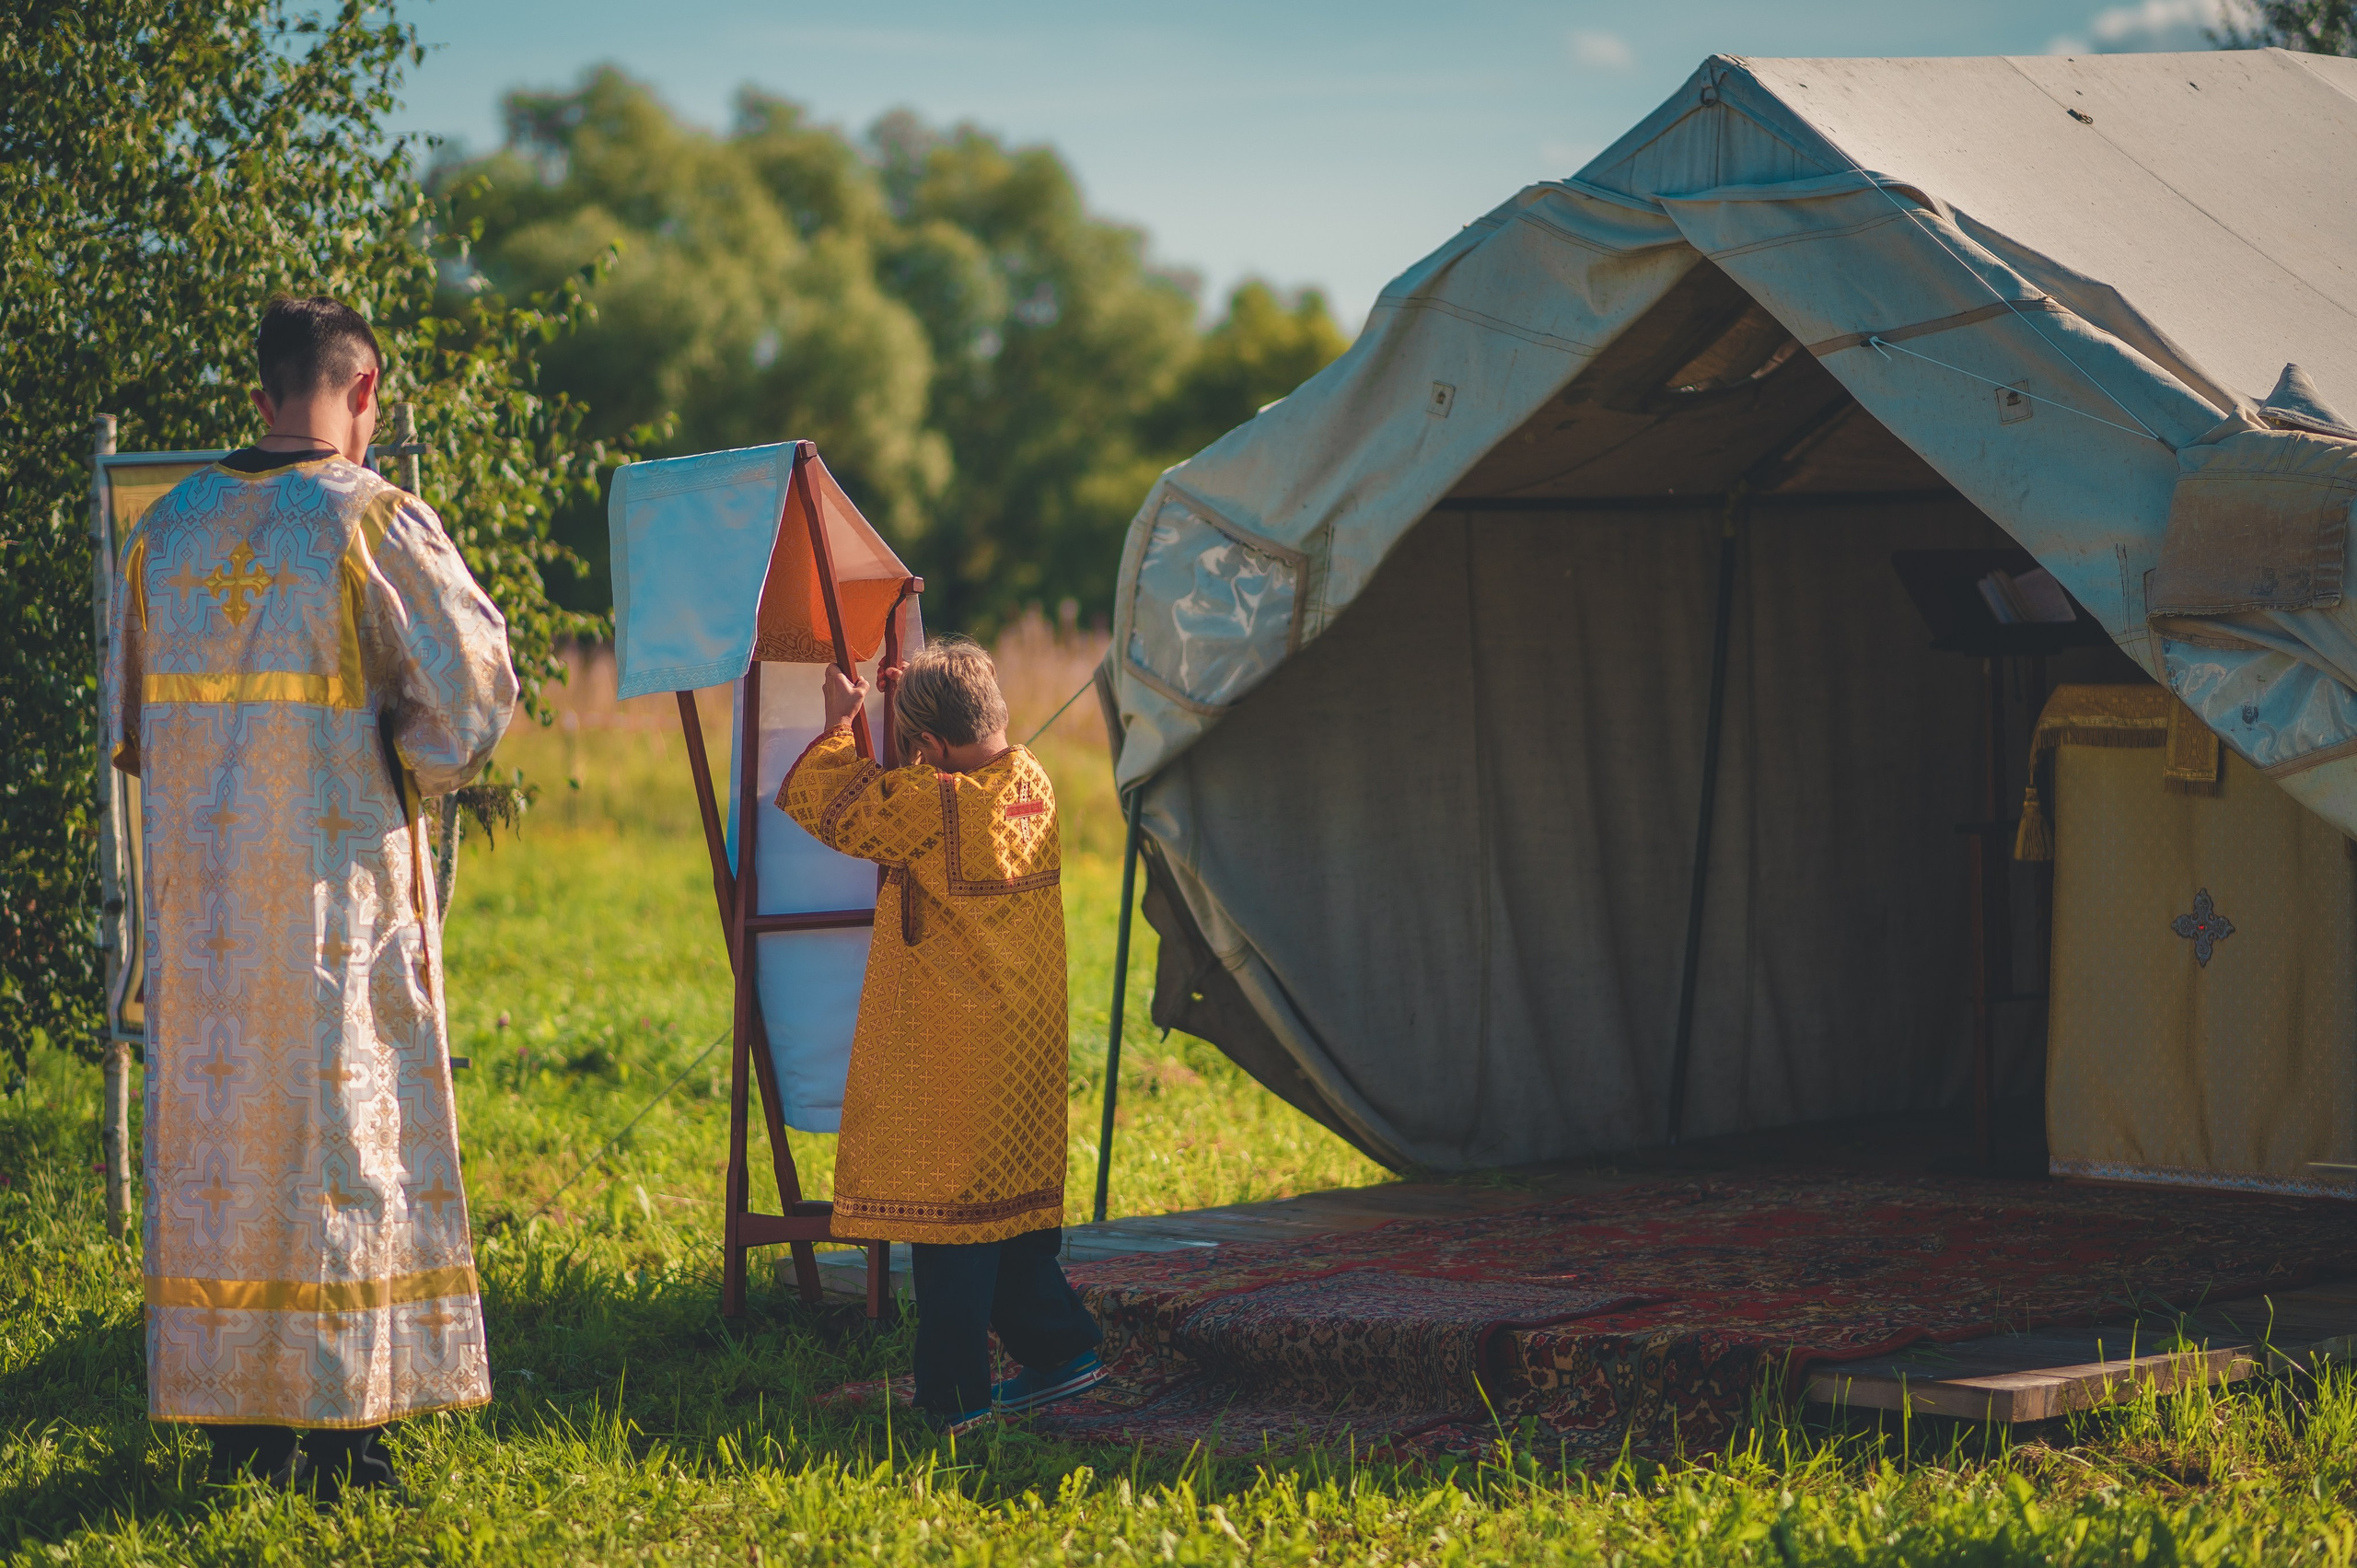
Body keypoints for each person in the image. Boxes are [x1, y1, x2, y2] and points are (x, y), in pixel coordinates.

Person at [103, 296, 516, 1501]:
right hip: (336, 907)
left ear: (263, 393)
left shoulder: (163, 533)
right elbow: (473, 698)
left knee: (221, 1154)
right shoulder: (370, 518)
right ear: (366, 388)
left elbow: (132, 727)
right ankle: (341, 1432)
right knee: (342, 1146)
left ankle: (233, 1420)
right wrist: (411, 759)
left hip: (204, 915)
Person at [780, 638, 1103, 1433]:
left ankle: (955, 1401)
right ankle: (1062, 1349)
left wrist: (840, 725)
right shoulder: (1032, 781)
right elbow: (926, 785)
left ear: (928, 748)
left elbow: (837, 805)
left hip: (958, 1050)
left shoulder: (933, 805)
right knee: (1011, 1219)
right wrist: (911, 728)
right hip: (1024, 1044)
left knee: (951, 1226)